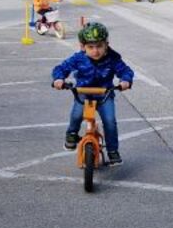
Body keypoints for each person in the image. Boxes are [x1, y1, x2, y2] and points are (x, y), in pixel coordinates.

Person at [52, 21, 134, 163]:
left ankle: (112, 150)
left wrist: (125, 81)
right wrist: (59, 79)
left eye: (99, 46)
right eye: (90, 47)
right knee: (76, 115)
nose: (95, 51)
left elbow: (125, 71)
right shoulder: (78, 58)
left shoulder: (113, 58)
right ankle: (71, 134)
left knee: (110, 121)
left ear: (106, 44)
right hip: (83, 93)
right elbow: (61, 68)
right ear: (82, 46)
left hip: (104, 94)